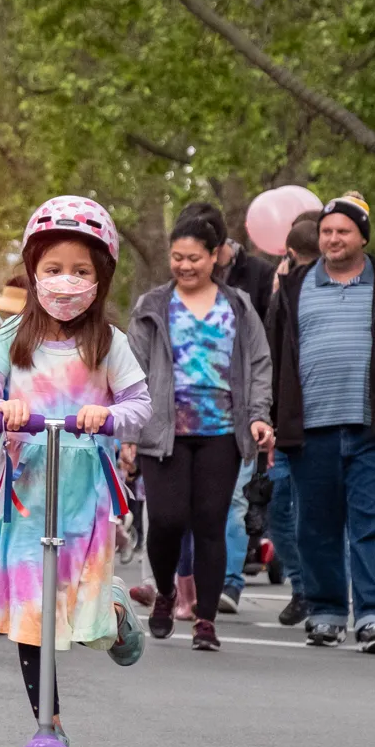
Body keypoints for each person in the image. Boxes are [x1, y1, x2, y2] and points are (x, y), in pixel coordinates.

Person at [0, 198, 147, 732]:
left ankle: (114, 610)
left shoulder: (109, 344)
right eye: (55, 268)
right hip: (25, 495)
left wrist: (108, 417)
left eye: (81, 271)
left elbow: (140, 407)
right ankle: (50, 725)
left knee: (85, 617)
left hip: (84, 499)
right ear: (34, 272)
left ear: (100, 278)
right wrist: (3, 409)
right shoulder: (9, 339)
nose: (67, 281)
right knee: (31, 615)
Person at [265, 195, 375, 654]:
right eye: (327, 231)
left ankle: (373, 618)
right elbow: (273, 355)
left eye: (343, 231)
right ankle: (327, 613)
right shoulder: (293, 287)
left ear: (363, 238)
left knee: (371, 525)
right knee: (316, 528)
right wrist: (269, 418)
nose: (333, 239)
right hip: (310, 431)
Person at [125, 216, 273, 651]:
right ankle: (166, 592)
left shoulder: (238, 306)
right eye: (177, 257)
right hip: (163, 431)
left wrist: (259, 416)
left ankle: (205, 619)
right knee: (166, 521)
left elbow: (259, 364)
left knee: (210, 523)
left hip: (222, 432)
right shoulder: (152, 305)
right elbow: (131, 371)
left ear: (214, 257)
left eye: (194, 258)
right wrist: (128, 433)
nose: (185, 266)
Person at [262, 212, 322, 626]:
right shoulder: (282, 296)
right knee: (279, 509)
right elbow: (270, 354)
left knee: (316, 513)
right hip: (285, 422)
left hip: (326, 421)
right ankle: (304, 586)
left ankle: (322, 591)